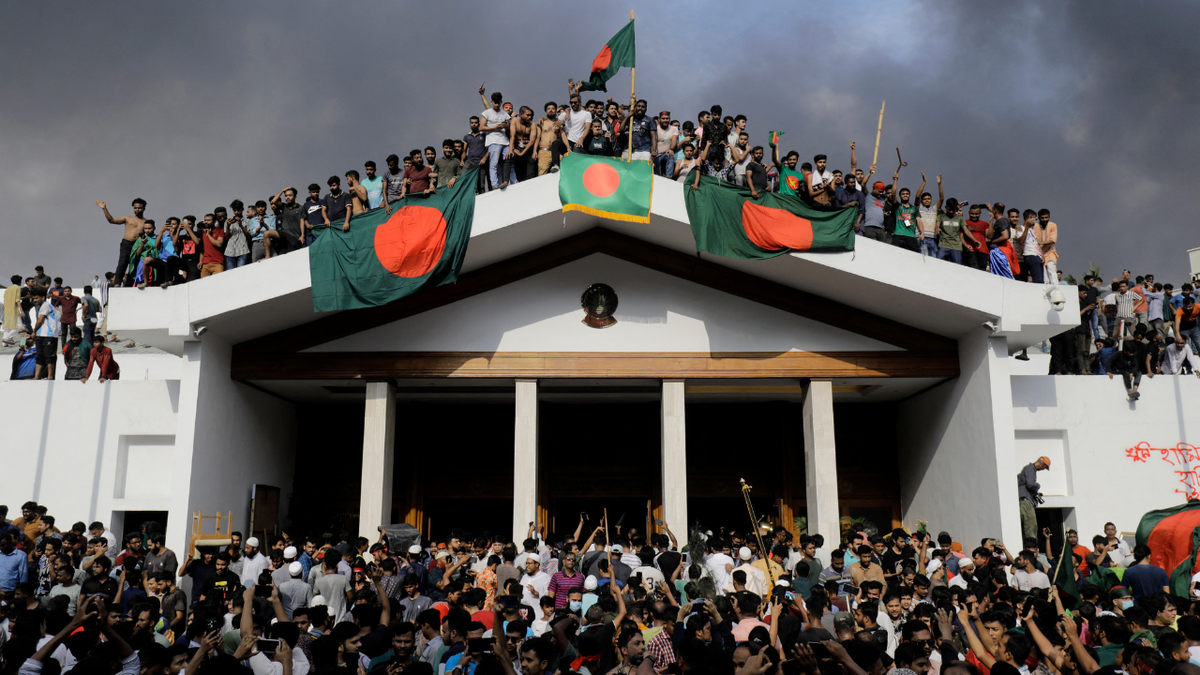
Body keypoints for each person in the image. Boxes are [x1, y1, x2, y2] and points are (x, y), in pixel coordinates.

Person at [96, 198, 150, 287]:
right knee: (122, 263)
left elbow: (150, 233)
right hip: (127, 243)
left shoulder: (146, 222)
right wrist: (104, 208)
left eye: (139, 208)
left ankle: (128, 284)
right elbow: (111, 220)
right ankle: (117, 283)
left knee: (134, 265)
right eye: (135, 208)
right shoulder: (128, 218)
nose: (137, 210)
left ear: (144, 208)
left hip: (139, 245)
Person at [480, 89, 515, 190]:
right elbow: (481, 127)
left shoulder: (505, 114)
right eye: (495, 102)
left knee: (509, 161)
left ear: (501, 102)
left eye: (498, 102)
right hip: (493, 141)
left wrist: (505, 126)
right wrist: (495, 127)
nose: (496, 104)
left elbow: (508, 129)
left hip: (505, 141)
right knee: (494, 164)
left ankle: (513, 181)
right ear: (492, 102)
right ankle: (495, 185)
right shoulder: (487, 113)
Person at [1017, 457, 1049, 541]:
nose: (1043, 469)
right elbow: (1030, 485)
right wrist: (1038, 486)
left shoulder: (1028, 469)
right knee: (1031, 527)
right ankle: (1032, 546)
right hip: (1026, 501)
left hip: (1025, 499)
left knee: (1029, 526)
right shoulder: (1030, 468)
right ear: (1043, 463)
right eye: (1045, 467)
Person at [31, 290, 61, 380]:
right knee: (40, 356)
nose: (35, 300)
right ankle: (37, 376)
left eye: (36, 298)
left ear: (43, 298)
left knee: (49, 356)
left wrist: (34, 331)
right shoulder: (42, 306)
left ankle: (50, 376)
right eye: (34, 299)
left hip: (49, 335)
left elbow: (40, 320)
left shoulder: (46, 305)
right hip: (41, 334)